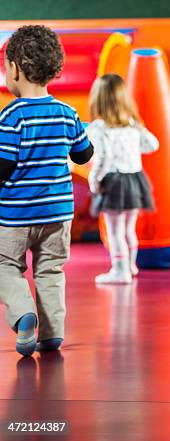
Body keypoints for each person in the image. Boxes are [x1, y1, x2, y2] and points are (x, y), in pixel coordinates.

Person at [0, 25, 93, 356]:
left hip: (15, 215)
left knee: (5, 265)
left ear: (15, 68)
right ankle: (52, 333)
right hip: (58, 214)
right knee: (51, 270)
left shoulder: (11, 116)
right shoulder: (68, 113)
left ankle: (24, 312)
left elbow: (4, 165)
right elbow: (83, 154)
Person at [86, 73, 159, 284]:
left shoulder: (98, 128)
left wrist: (94, 180)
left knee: (115, 230)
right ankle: (130, 265)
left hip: (114, 182)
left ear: (97, 100)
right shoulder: (131, 124)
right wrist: (135, 137)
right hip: (135, 180)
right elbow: (153, 145)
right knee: (128, 229)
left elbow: (103, 158)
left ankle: (120, 271)